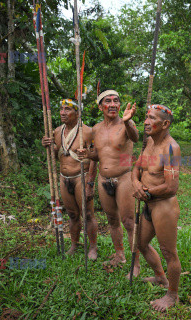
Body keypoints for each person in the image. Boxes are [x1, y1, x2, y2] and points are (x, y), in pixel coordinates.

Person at [78, 90, 140, 278]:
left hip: (123, 179)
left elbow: (136, 137)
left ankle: (135, 264)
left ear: (120, 106)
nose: (113, 104)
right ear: (100, 106)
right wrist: (88, 155)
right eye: (108, 101)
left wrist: (128, 121)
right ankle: (119, 254)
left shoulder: (126, 124)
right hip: (103, 180)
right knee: (112, 220)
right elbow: (99, 155)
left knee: (129, 222)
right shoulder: (95, 129)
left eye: (116, 101)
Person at [132, 104, 181, 312]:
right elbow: (137, 168)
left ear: (165, 124)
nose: (146, 122)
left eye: (151, 118)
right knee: (141, 244)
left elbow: (171, 186)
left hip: (163, 207)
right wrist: (135, 183)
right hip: (148, 204)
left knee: (169, 252)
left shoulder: (171, 148)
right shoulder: (150, 142)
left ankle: (172, 295)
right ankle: (161, 277)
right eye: (146, 117)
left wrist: (147, 193)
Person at [41, 98, 98, 259]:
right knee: (72, 214)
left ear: (77, 112)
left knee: (87, 214)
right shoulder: (57, 131)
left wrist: (90, 183)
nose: (62, 112)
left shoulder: (87, 131)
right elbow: (56, 152)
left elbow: (94, 158)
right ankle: (74, 244)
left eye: (67, 109)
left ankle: (92, 247)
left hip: (82, 176)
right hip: (64, 177)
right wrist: (46, 144)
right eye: (61, 109)